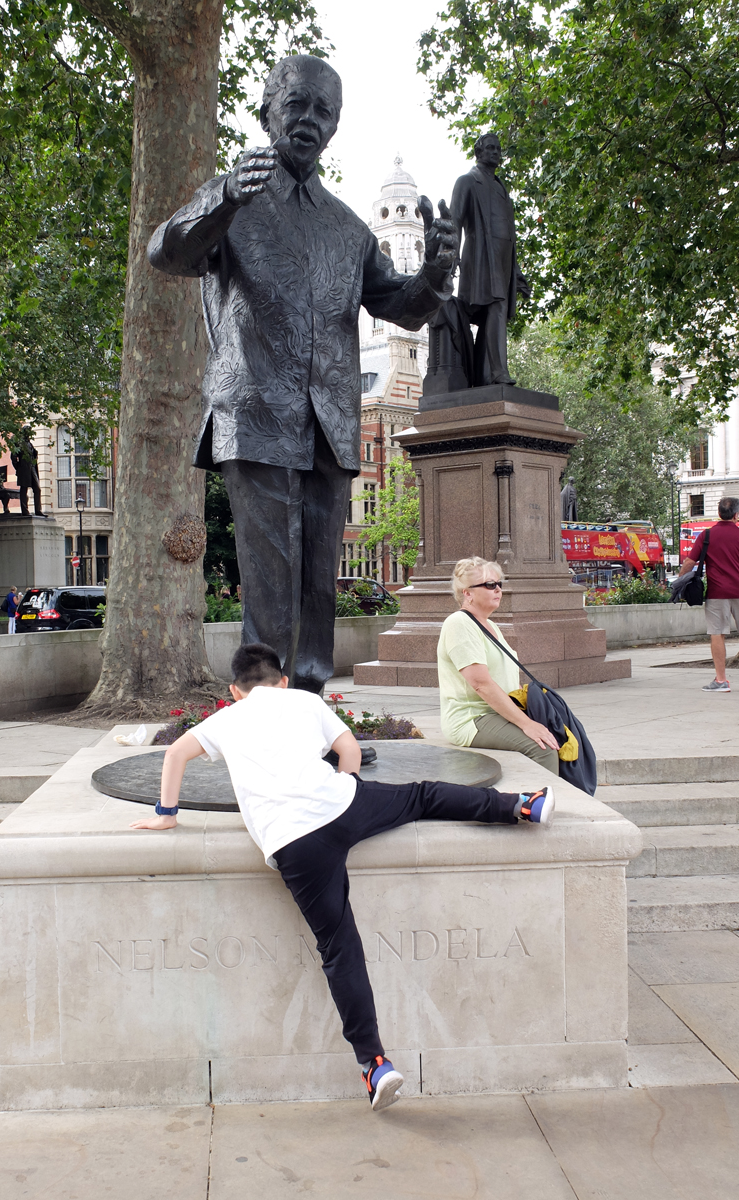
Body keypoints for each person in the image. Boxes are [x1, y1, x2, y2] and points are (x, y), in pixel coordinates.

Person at [129, 642, 554, 1112]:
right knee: (423, 795)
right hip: (340, 806)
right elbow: (347, 749)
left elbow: (175, 756)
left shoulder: (226, 718)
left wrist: (166, 815)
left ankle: (374, 1063)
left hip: (293, 842)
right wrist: (350, 788)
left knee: (339, 947)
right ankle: (522, 805)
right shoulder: (307, 701)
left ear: (235, 690)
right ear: (283, 680)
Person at [148, 55, 457, 693]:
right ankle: (263, 705)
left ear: (336, 125)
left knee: (319, 575)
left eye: (324, 111)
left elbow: (398, 305)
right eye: (298, 105)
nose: (310, 120)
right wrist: (225, 198)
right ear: (268, 111)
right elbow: (168, 252)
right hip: (255, 408)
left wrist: (432, 276)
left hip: (332, 421)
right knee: (270, 573)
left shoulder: (347, 227)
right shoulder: (235, 195)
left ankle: (311, 704)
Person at [437, 557, 560, 773]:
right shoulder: (459, 623)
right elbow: (481, 684)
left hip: (496, 713)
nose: (498, 590)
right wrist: (527, 724)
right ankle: (536, 805)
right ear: (467, 593)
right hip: (472, 718)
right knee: (543, 748)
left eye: (499, 584)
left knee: (557, 735)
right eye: (490, 585)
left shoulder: (490, 624)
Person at [450, 132, 530, 387]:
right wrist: (450, 257)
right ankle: (498, 372)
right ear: (479, 152)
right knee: (494, 309)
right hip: (480, 258)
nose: (496, 152)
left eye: (498, 148)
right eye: (490, 148)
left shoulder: (501, 188)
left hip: (503, 261)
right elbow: (455, 222)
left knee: (495, 314)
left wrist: (516, 272)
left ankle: (484, 375)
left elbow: (510, 234)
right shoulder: (467, 182)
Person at [678, 496, 739, 691]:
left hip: (717, 592)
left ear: (719, 513)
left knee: (717, 634)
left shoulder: (706, 535)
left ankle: (721, 681)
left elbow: (689, 562)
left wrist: (679, 582)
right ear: (736, 515)